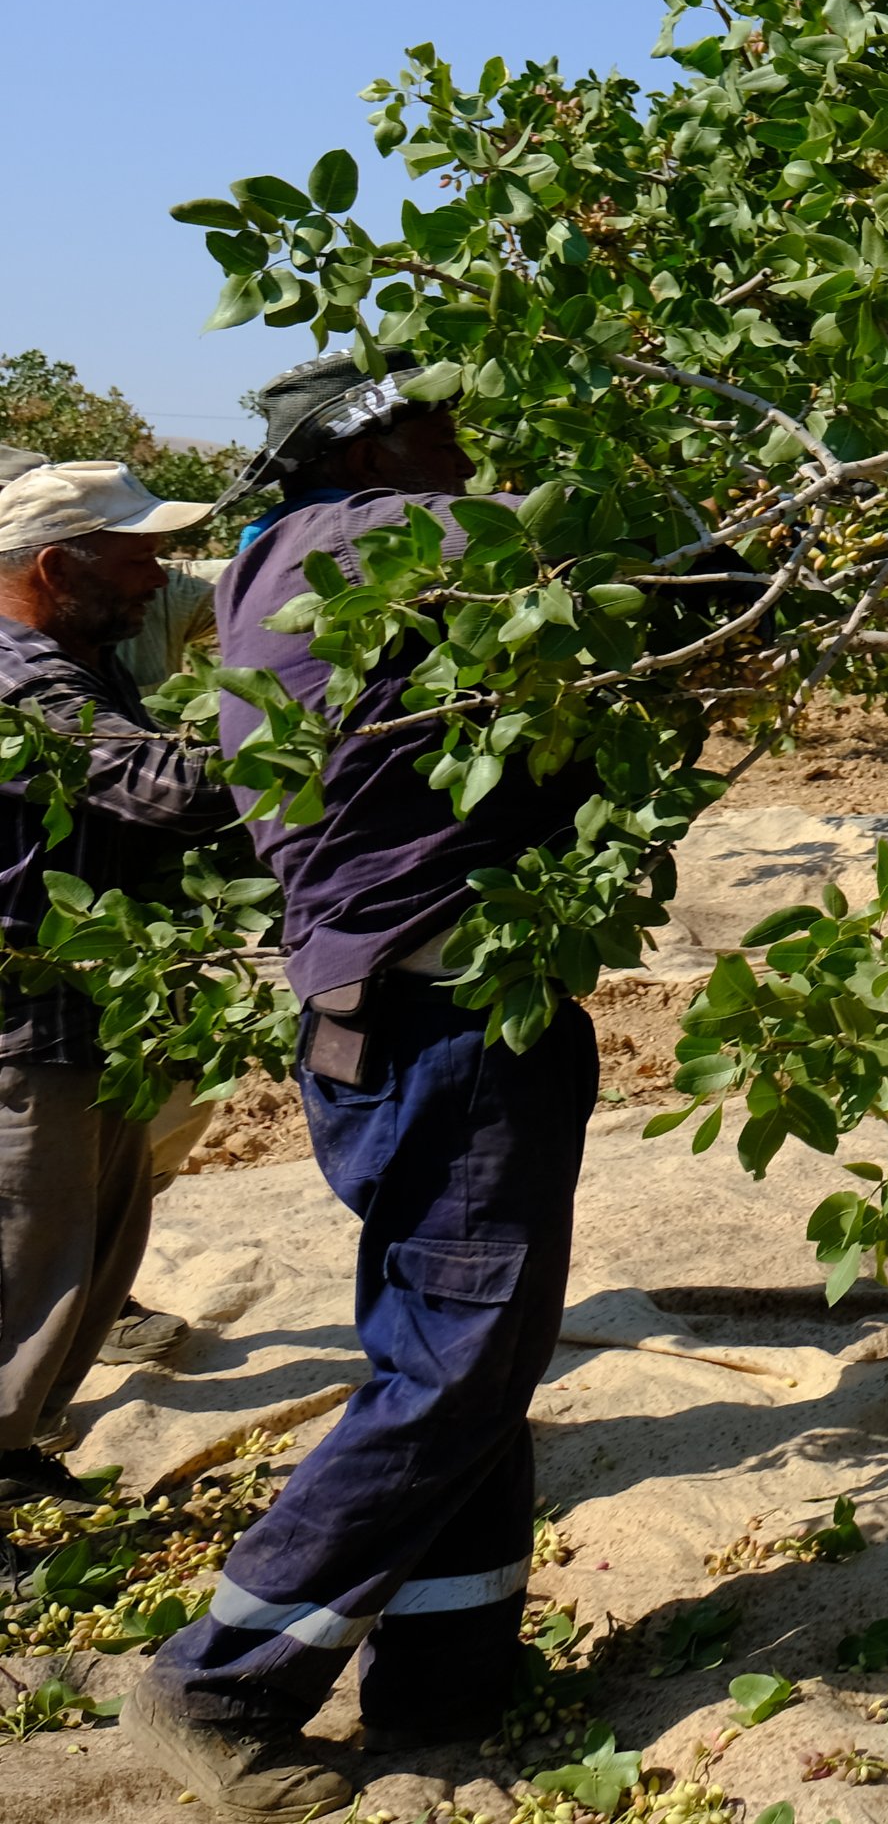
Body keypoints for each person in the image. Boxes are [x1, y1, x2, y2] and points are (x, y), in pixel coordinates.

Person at [129, 357, 604, 1820]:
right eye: (432, 421)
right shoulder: (356, 540)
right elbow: (595, 524)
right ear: (362, 445)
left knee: (469, 1349)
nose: (462, 441)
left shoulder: (295, 560)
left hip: (400, 1014)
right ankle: (216, 1681)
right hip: (441, 1015)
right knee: (453, 1359)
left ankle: (445, 1678)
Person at [0, 460, 237, 1507]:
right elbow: (165, 787)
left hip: (95, 1008)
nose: (158, 577)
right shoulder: (19, 679)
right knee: (24, 1253)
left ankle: (17, 1452)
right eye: (138, 554)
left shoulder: (78, 660)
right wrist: (320, 718)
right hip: (26, 1017)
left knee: (92, 1243)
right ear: (57, 565)